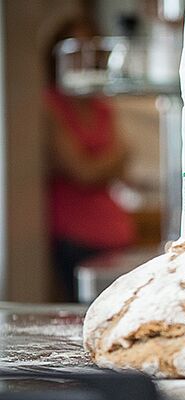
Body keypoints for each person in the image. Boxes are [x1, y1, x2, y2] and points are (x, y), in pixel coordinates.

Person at [45, 16, 136, 300]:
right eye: (74, 51)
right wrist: (106, 163)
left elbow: (124, 159)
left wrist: (102, 165)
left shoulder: (101, 105)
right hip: (74, 235)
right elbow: (83, 171)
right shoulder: (49, 105)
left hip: (115, 230)